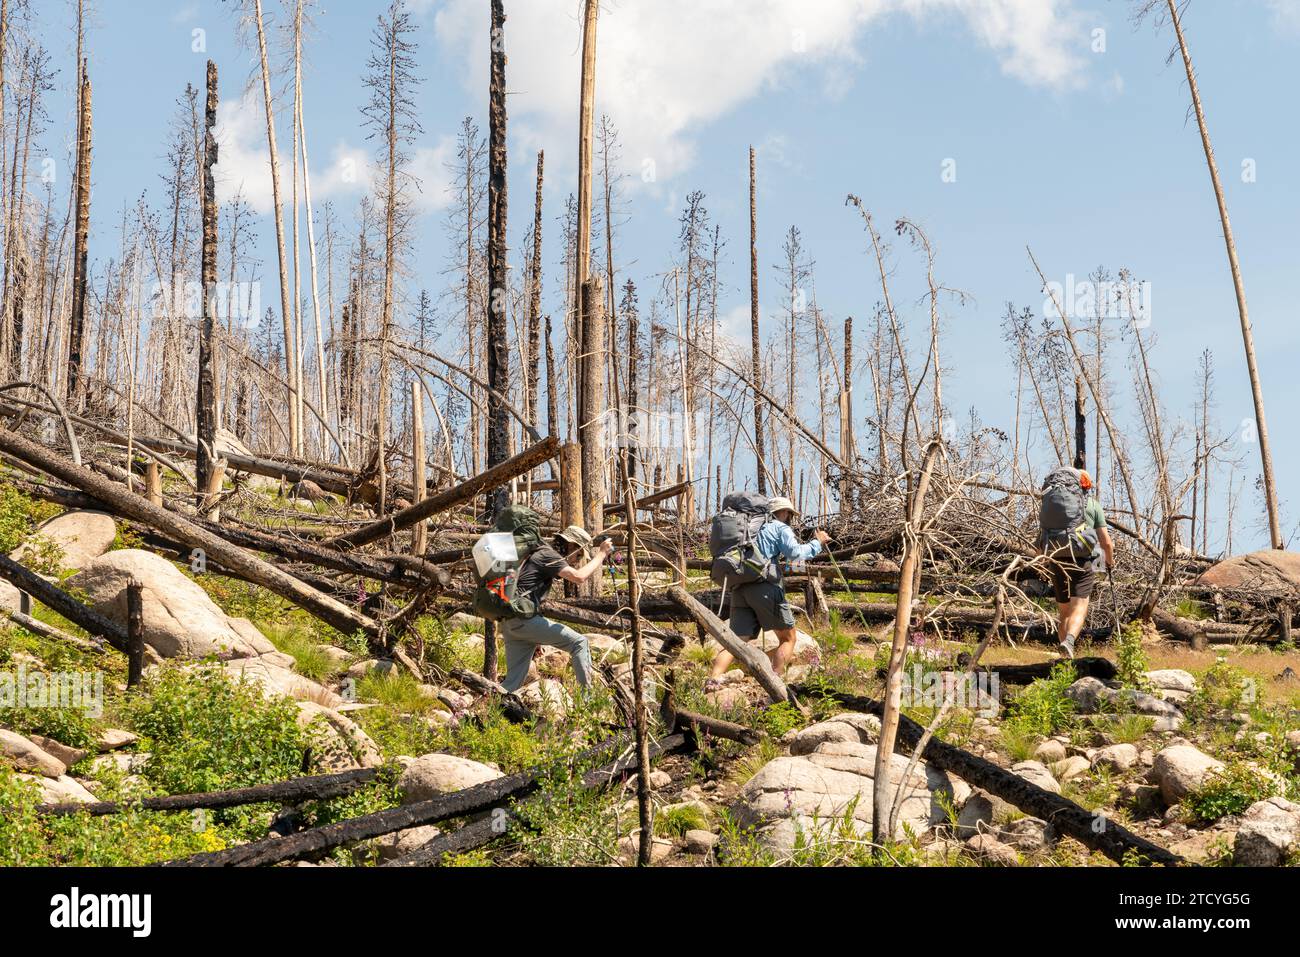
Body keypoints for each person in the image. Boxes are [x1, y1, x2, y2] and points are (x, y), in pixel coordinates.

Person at [708, 495, 830, 685]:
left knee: (737, 641)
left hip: (740, 587)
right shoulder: (779, 527)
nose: (790, 518)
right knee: (788, 638)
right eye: (789, 514)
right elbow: (796, 554)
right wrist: (818, 543)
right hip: (764, 587)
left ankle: (713, 680)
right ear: (782, 512)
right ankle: (776, 683)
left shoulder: (749, 529)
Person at [499, 524, 614, 693]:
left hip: (511, 622)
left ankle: (484, 712)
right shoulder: (548, 555)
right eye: (579, 554)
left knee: (511, 684)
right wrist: (602, 554)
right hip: (523, 620)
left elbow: (527, 591)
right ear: (571, 545)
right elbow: (579, 577)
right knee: (579, 643)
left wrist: (535, 637)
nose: (578, 560)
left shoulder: (540, 553)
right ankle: (588, 705)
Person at [1039, 468, 1114, 659]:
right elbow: (1105, 541)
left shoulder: (1055, 505)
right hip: (1081, 562)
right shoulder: (1093, 505)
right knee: (1079, 606)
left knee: (1064, 612)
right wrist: (1109, 561)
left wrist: (1042, 562)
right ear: (1085, 485)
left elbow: (1041, 535)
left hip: (1056, 559)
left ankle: (1065, 656)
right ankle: (1070, 642)